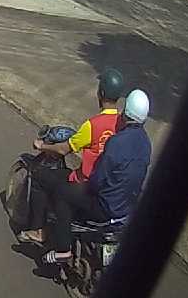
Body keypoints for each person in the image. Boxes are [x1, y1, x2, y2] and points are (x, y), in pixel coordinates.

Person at [25, 89, 152, 264]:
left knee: (63, 192)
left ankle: (63, 249)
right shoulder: (146, 143)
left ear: (125, 112)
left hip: (105, 206)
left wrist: (85, 186)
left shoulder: (116, 142)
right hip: (127, 206)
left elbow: (98, 180)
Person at [16, 68, 125, 248]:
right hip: (109, 186)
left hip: (84, 183)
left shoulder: (92, 125)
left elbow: (63, 150)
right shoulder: (122, 125)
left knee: (39, 176)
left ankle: (38, 230)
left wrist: (42, 146)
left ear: (100, 93)